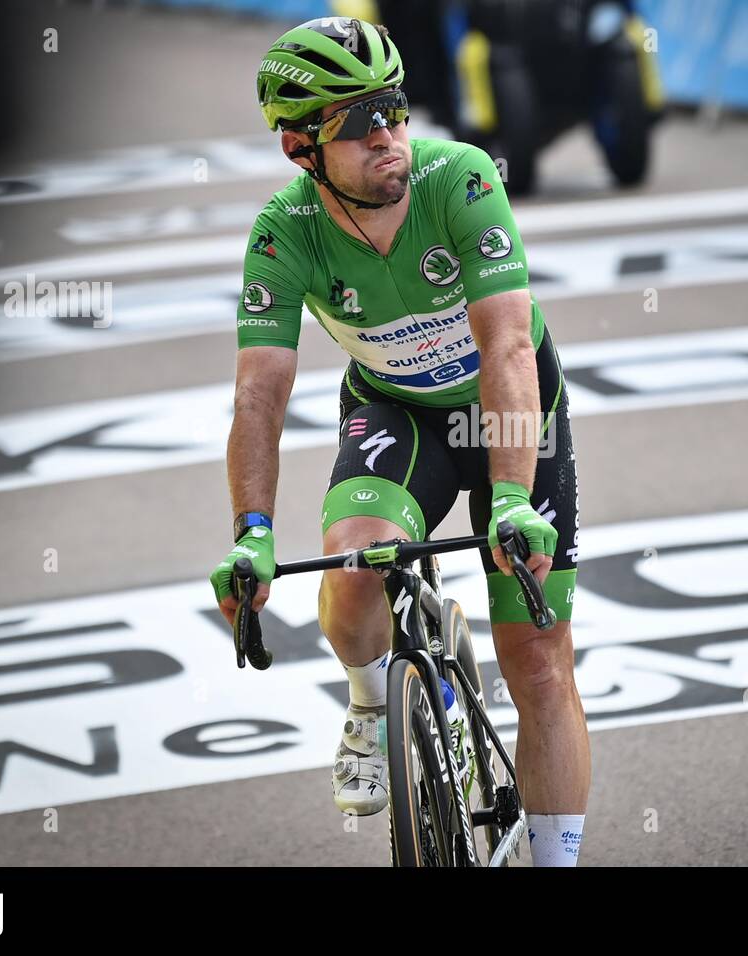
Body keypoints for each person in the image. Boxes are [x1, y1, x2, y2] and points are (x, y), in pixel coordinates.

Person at [209, 16, 587, 866]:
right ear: (303, 148)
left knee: (536, 660)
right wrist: (253, 535)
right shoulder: (283, 232)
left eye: (393, 106)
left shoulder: (463, 178)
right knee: (350, 571)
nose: (388, 133)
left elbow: (508, 348)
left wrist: (515, 498)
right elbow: (260, 394)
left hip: (513, 411)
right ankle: (371, 705)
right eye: (356, 120)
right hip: (397, 411)